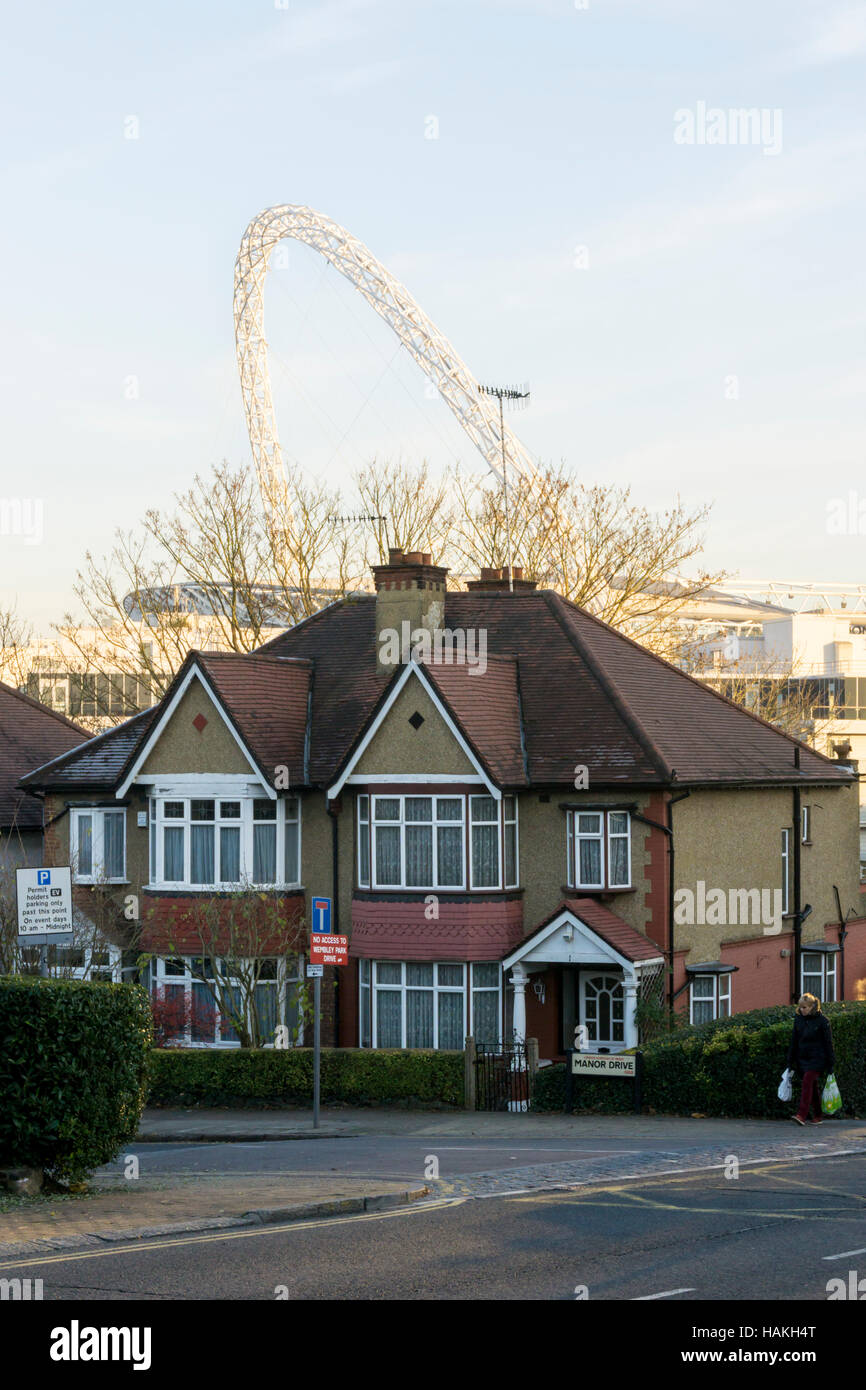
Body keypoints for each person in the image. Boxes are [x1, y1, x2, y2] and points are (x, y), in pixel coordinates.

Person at [786, 993, 835, 1126]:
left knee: (808, 1081)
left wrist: (831, 1063)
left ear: (812, 1006)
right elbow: (794, 1041)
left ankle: (801, 1115)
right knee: (811, 1086)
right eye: (801, 1007)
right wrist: (790, 1061)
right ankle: (818, 1115)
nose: (802, 1010)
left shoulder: (823, 1021)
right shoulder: (798, 1020)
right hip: (803, 1058)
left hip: (818, 1059)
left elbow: (828, 1043)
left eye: (805, 1007)